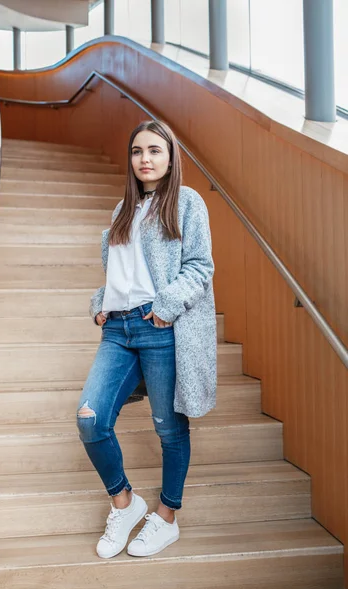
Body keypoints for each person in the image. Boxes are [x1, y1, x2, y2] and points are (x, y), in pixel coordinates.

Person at [76, 120, 217, 560]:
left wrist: (164, 307)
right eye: (138, 151)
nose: (145, 159)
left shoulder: (187, 203)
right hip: (117, 329)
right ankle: (124, 501)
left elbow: (199, 266)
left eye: (155, 150)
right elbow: (119, 276)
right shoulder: (122, 209)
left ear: (171, 157)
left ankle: (166, 517)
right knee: (90, 419)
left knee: (168, 428)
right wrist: (101, 302)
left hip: (159, 326)